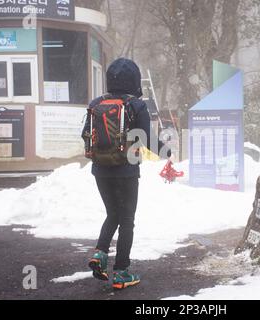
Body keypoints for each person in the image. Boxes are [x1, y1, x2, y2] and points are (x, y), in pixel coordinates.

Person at [81, 58, 171, 289]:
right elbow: (147, 139)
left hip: (100, 169)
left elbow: (85, 135)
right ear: (134, 80)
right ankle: (121, 272)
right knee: (127, 221)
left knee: (112, 213)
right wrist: (167, 151)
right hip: (127, 171)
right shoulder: (136, 105)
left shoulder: (96, 103)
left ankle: (100, 254)